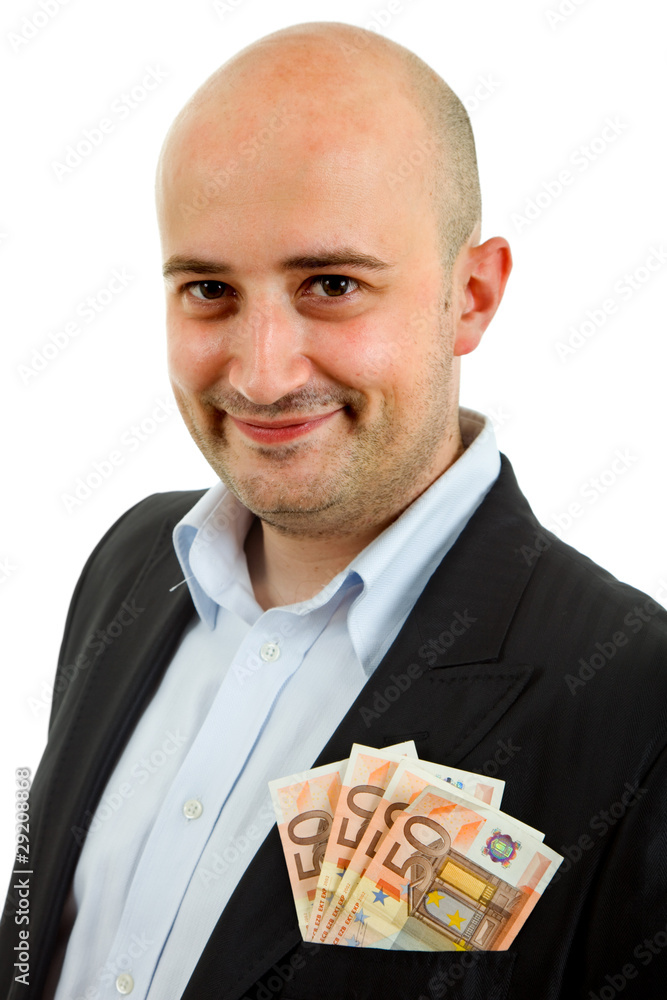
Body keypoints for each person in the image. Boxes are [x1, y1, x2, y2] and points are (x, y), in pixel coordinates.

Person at [1, 19, 666, 1000]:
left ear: (471, 295)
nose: (262, 374)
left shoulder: (634, 697)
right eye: (209, 289)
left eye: (331, 284)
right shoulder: (130, 560)